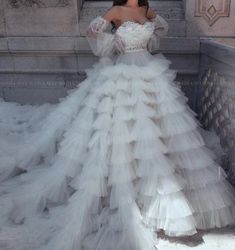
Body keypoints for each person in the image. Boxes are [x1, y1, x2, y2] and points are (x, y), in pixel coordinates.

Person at [0, 0, 234, 249]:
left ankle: (159, 196)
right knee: (123, 130)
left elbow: (161, 28)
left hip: (150, 71)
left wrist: (149, 29)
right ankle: (125, 189)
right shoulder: (115, 12)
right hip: (123, 71)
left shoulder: (146, 11)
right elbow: (93, 34)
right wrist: (113, 43)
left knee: (158, 132)